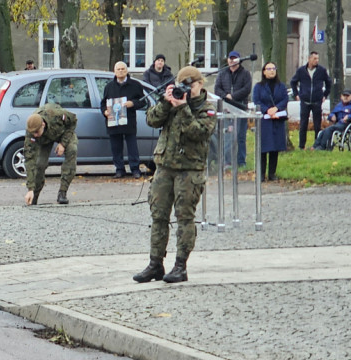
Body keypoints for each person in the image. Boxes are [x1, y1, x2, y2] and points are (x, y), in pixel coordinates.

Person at [133, 66, 216, 284]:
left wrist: (182, 108)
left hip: (189, 170)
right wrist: (165, 101)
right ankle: (155, 264)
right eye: (183, 85)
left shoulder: (206, 109)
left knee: (184, 218)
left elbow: (198, 132)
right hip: (165, 167)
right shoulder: (172, 102)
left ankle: (180, 266)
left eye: (191, 85)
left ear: (200, 84)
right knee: (158, 216)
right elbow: (151, 120)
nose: (187, 90)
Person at [23, 103, 77, 205]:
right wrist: (30, 189)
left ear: (42, 125)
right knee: (39, 164)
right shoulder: (32, 131)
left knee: (72, 150)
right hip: (45, 140)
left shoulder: (56, 115)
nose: (34, 135)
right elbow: (29, 159)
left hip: (63, 132)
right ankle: (34, 197)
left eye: (36, 132)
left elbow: (73, 120)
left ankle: (62, 192)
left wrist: (63, 143)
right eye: (33, 133)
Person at [101, 61, 145, 178]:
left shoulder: (135, 85)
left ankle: (135, 169)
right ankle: (119, 169)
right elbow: (103, 103)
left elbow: (143, 101)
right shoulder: (109, 87)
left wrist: (133, 103)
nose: (120, 71)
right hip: (113, 122)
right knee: (116, 147)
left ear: (127, 71)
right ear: (114, 72)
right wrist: (105, 111)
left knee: (132, 147)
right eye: (118, 69)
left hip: (129, 121)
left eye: (123, 69)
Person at [215, 51, 252, 166]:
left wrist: (233, 96)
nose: (232, 60)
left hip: (240, 108)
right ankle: (227, 161)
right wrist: (225, 96)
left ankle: (241, 161)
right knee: (227, 135)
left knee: (240, 136)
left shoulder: (245, 74)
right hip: (226, 109)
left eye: (234, 58)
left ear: (239, 60)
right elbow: (217, 89)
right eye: (230, 58)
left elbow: (247, 89)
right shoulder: (222, 73)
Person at [252, 62, 289, 180]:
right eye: (269, 68)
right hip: (264, 120)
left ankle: (272, 173)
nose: (272, 71)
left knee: (275, 147)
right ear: (264, 71)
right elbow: (256, 100)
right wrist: (267, 110)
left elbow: (285, 99)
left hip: (277, 118)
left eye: (273, 68)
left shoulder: (281, 86)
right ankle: (261, 174)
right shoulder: (259, 86)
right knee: (264, 147)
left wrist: (276, 109)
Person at [290, 51, 332, 149]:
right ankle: (301, 146)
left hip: (317, 101)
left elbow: (328, 82)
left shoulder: (321, 70)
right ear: (309, 59)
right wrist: (296, 94)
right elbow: (293, 82)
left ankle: (317, 145)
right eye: (314, 58)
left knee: (317, 125)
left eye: (317, 59)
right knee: (303, 124)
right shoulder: (301, 71)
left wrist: (325, 94)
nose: (316, 61)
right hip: (305, 101)